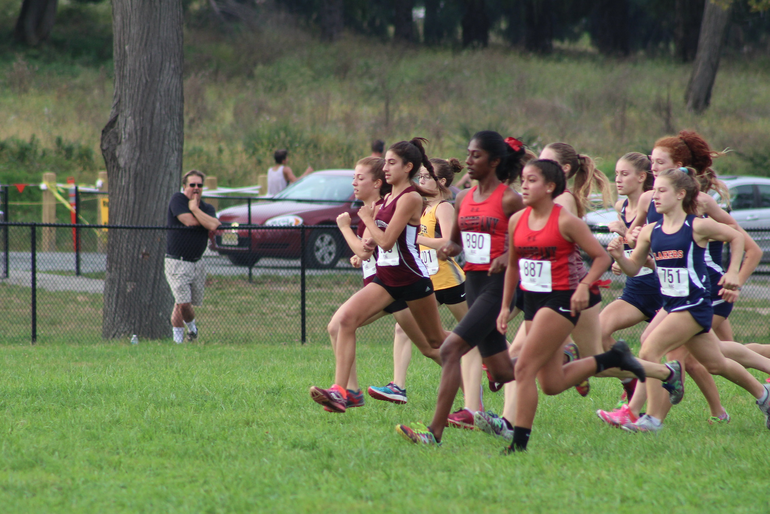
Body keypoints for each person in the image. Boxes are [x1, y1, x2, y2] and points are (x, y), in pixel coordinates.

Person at [494, 159, 648, 453]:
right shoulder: (517, 220)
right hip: (532, 300)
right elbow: (513, 266)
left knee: (524, 368)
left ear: (550, 187)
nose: (523, 186)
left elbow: (601, 258)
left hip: (561, 300)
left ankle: (518, 444)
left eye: (531, 181)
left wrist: (582, 285)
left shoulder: (565, 220)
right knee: (551, 383)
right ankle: (612, 359)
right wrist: (504, 307)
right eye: (522, 180)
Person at [609, 166, 770, 433]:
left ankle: (651, 419)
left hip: (694, 305)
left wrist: (732, 272)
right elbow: (634, 268)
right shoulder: (651, 231)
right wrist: (619, 257)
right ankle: (765, 397)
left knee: (649, 349)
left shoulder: (696, 225)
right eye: (654, 191)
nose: (655, 197)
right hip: (672, 305)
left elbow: (736, 237)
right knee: (716, 363)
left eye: (662, 191)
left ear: (681, 194)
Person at [394, 131, 527, 446]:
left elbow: (529, 240)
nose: (468, 160)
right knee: (503, 372)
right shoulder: (463, 198)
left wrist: (507, 254)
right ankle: (582, 361)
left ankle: (434, 434)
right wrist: (448, 248)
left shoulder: (510, 199)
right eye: (468, 153)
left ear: (495, 162)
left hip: (498, 287)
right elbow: (454, 242)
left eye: (476, 156)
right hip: (474, 286)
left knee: (451, 348)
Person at [310, 138, 448, 413]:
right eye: (384, 162)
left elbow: (385, 242)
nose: (385, 167)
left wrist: (362, 225)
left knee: (436, 345)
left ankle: (478, 363)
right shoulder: (386, 201)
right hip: (386, 282)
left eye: (391, 162)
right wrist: (365, 241)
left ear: (408, 167)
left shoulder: (409, 198)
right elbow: (373, 246)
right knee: (343, 322)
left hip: (411, 281)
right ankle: (342, 392)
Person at [368, 158, 480, 426]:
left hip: (449, 281)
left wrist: (417, 238)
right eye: (418, 177)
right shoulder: (421, 207)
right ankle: (398, 386)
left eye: (425, 178)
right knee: (402, 329)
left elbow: (451, 242)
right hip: (426, 281)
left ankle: (510, 358)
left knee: (477, 330)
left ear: (440, 182)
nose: (420, 182)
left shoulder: (442, 207)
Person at [165, 170, 221, 344]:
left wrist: (195, 209)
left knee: (181, 303)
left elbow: (214, 225)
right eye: (192, 185)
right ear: (184, 186)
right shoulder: (177, 200)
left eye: (200, 185)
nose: (196, 188)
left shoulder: (206, 207)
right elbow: (189, 221)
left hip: (197, 263)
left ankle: (179, 343)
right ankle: (191, 331)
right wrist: (202, 219)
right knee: (183, 303)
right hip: (177, 261)